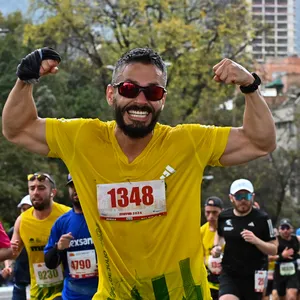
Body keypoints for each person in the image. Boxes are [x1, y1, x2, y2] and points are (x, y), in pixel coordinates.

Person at [2, 47, 276, 299]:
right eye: (130, 88)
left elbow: (260, 141)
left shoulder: (187, 142)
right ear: (111, 94)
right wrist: (25, 80)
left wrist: (250, 86)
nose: (141, 100)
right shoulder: (83, 139)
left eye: (153, 92)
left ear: (163, 100)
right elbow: (17, 128)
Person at [212, 179, 278, 300]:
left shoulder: (263, 218)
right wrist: (216, 248)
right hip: (230, 272)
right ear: (231, 197)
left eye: (246, 196)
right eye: (238, 196)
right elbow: (220, 236)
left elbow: (273, 250)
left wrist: (256, 240)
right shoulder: (223, 216)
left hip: (256, 273)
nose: (243, 200)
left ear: (252, 196)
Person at [8, 172, 71, 300]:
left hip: (66, 290)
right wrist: (11, 249)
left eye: (41, 188)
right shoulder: (22, 220)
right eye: (32, 188)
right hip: (38, 292)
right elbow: (13, 253)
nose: (36, 192)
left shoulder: (67, 215)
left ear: (53, 192)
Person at [44, 174, 98, 299]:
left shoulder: (103, 218)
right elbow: (49, 263)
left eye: (79, 184)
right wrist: (58, 248)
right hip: (73, 295)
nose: (75, 189)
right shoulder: (61, 223)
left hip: (103, 292)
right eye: (71, 186)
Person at [7, 194, 32, 300]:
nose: (25, 212)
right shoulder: (13, 231)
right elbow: (8, 251)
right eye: (23, 209)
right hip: (20, 279)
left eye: (28, 208)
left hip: (40, 280)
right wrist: (8, 266)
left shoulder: (43, 228)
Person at [201, 196, 224, 300]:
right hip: (208, 283)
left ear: (221, 212)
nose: (211, 216)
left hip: (226, 282)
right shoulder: (201, 231)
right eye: (208, 212)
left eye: (215, 212)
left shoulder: (228, 229)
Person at [273, 219, 299, 300]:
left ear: (292, 229)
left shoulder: (296, 239)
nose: (285, 230)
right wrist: (281, 256)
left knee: (291, 296)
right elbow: (268, 258)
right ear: (279, 229)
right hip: (279, 272)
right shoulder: (274, 241)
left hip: (293, 271)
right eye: (283, 228)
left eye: (287, 228)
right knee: (281, 296)